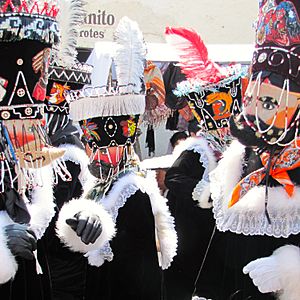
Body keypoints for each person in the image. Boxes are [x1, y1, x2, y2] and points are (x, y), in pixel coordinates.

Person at [68, 17, 177, 300]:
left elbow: (135, 271)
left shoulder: (133, 189)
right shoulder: (103, 182)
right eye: (93, 146)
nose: (97, 154)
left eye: (103, 148)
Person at [209, 1, 300, 299]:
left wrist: (290, 269)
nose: (253, 116)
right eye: (252, 99)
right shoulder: (244, 157)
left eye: (270, 102)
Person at [163, 26, 246, 300]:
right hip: (197, 233)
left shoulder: (242, 149)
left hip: (229, 238)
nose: (224, 128)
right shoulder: (198, 149)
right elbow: (174, 179)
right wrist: (202, 191)